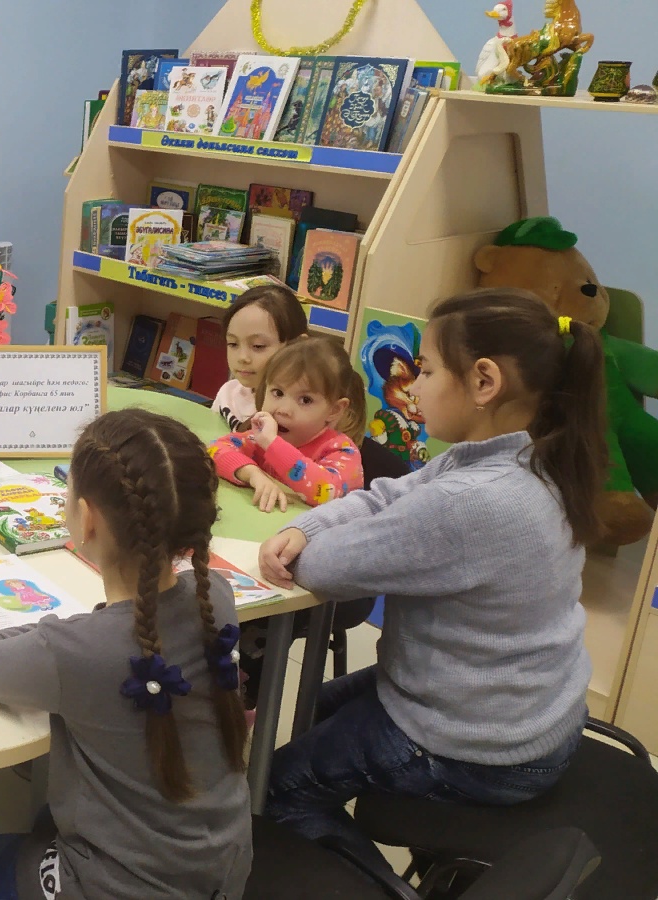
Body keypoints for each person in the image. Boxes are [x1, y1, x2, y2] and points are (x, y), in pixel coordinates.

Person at [259, 289, 606, 879]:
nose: (412, 386)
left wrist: (303, 543)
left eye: (425, 370)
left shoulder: (471, 502)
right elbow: (389, 495)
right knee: (321, 704)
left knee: (271, 791)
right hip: (528, 710)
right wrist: (306, 525)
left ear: (484, 382)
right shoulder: (524, 454)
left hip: (484, 746)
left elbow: (322, 569)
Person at [0, 409, 252, 900]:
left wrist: (59, 630)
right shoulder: (215, 594)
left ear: (86, 518)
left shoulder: (76, 651)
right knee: (44, 818)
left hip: (119, 886)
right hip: (220, 868)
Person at [210, 336, 367, 512]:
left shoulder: (342, 451)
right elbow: (215, 450)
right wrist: (253, 475)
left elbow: (325, 491)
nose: (284, 410)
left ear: (334, 410)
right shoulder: (262, 437)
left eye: (305, 400)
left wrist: (273, 445)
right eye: (278, 393)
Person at [215, 285, 309, 431]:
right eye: (233, 344)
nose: (243, 357)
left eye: (258, 346)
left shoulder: (299, 414)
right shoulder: (228, 393)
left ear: (298, 345)